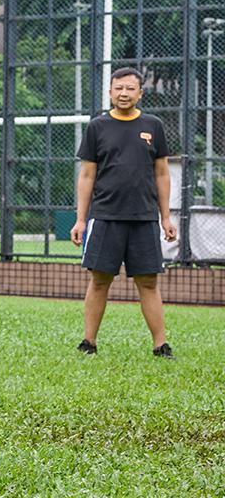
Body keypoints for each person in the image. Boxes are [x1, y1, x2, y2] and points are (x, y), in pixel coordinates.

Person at [70, 67, 178, 358]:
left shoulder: (153, 125)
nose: (124, 93)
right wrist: (81, 220)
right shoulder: (97, 127)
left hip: (143, 218)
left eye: (130, 89)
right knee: (100, 280)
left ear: (140, 93)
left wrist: (165, 217)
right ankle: (88, 343)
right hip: (104, 217)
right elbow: (87, 176)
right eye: (118, 88)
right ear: (110, 91)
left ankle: (160, 346)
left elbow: (162, 174)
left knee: (149, 282)